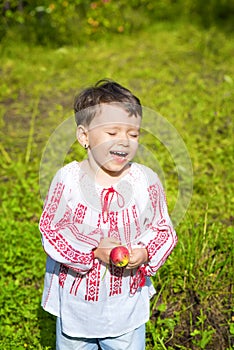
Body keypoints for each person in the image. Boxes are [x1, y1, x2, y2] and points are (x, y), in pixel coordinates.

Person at [39, 79, 177, 350]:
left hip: (125, 304)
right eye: (112, 132)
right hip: (76, 305)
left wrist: (145, 253)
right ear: (84, 136)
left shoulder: (144, 182)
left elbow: (163, 229)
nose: (124, 141)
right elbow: (51, 230)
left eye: (133, 134)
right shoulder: (67, 180)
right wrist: (92, 252)